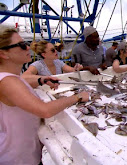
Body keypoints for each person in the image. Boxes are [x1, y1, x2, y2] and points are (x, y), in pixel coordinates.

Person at [0, 25, 90, 164]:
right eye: (22, 45)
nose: (29, 47)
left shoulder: (11, 78)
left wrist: (42, 79)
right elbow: (45, 110)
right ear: (4, 54)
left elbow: (24, 80)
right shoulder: (7, 81)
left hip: (25, 154)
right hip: (16, 158)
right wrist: (77, 97)